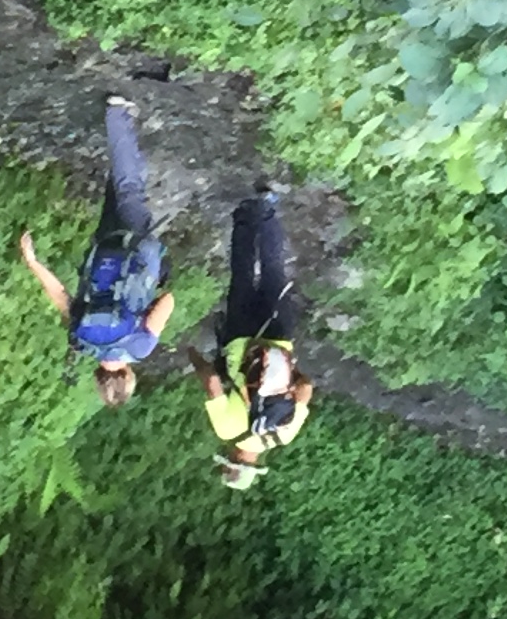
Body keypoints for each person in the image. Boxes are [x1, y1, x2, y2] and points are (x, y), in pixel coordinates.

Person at [18, 96, 175, 403]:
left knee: (129, 188)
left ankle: (117, 115)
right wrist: (33, 262)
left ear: (126, 377)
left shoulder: (139, 348)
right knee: (117, 192)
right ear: (99, 377)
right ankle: (119, 135)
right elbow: (61, 296)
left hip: (136, 253)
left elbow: (167, 301)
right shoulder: (82, 339)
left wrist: (150, 296)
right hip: (102, 251)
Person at [198, 184, 313, 485]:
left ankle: (269, 208)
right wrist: (195, 358)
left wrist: (286, 363)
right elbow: (211, 381)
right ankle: (246, 215)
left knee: (275, 272)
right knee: (243, 275)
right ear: (233, 458)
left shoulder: (283, 434)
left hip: (279, 339)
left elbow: (305, 390)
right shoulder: (226, 430)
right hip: (239, 339)